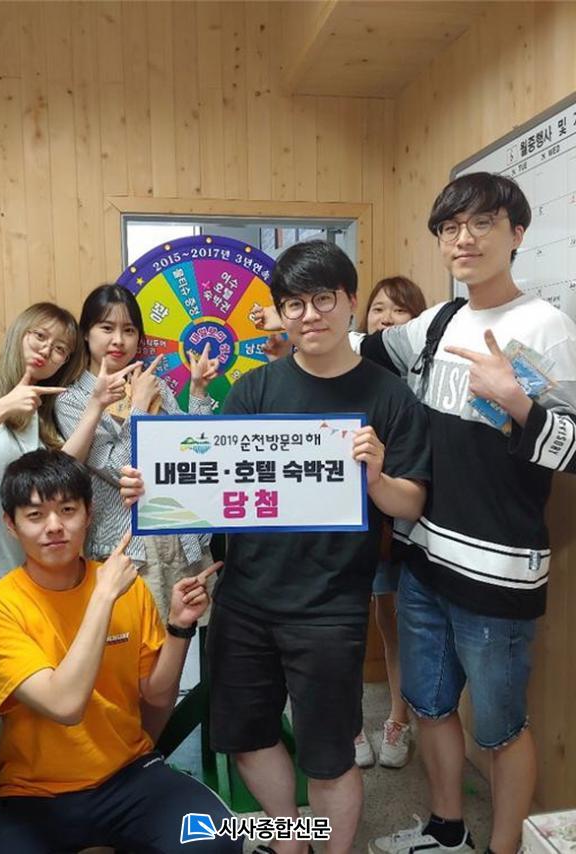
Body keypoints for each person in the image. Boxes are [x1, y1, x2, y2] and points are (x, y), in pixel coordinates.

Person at [366, 173, 576, 854]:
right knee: (430, 706)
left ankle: (503, 847)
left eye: (483, 223)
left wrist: (518, 403)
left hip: (498, 573)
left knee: (501, 728)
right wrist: (296, 341)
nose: (464, 238)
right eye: (451, 227)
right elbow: (366, 351)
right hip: (424, 557)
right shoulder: (438, 322)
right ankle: (446, 831)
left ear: (517, 234)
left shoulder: (546, 328)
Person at [206, 241, 431, 854]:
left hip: (330, 604)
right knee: (247, 736)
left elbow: (410, 503)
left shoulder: (389, 396)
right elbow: (215, 484)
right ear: (280, 313)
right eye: (294, 304)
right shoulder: (253, 390)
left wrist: (376, 479)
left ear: (351, 301)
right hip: (246, 597)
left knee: (330, 756)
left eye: (323, 299)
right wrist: (157, 486)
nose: (309, 315)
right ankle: (290, 840)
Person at [0, 449, 240, 854]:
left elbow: (157, 695)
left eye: (68, 510)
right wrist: (102, 597)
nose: (54, 527)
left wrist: (179, 626)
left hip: (127, 776)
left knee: (215, 840)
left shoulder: (127, 589)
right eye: (35, 515)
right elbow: (64, 704)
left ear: (89, 514)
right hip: (33, 794)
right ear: (10, 524)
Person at [0, 302, 143, 585]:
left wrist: (96, 405)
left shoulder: (42, 410)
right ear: (19, 332)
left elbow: (60, 473)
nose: (46, 350)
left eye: (60, 349)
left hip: (36, 575)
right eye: (40, 336)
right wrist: (2, 407)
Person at [54, 284, 218, 622]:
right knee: (136, 643)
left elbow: (196, 452)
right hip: (128, 549)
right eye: (107, 328)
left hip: (182, 535)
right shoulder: (72, 400)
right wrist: (140, 406)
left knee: (190, 636)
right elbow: (118, 468)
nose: (118, 340)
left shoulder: (154, 383)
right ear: (86, 333)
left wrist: (199, 391)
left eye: (129, 330)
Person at [350, 277, 427, 770]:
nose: (386, 319)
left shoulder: (423, 376)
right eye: (379, 309)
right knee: (348, 623)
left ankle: (398, 717)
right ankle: (351, 723)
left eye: (400, 311)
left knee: (394, 622)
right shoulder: (350, 371)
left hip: (403, 523)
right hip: (349, 523)